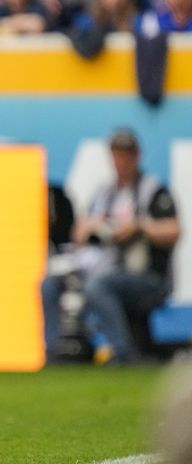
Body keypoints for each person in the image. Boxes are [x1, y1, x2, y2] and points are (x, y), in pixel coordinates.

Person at [42, 129, 181, 364]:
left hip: (144, 275)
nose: (121, 161)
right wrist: (90, 227)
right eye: (117, 154)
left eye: (126, 155)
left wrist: (140, 227)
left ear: (136, 156)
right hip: (101, 268)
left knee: (98, 286)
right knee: (50, 283)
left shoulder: (151, 190)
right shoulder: (103, 193)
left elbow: (174, 229)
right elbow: (79, 233)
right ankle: (54, 353)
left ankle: (123, 354)